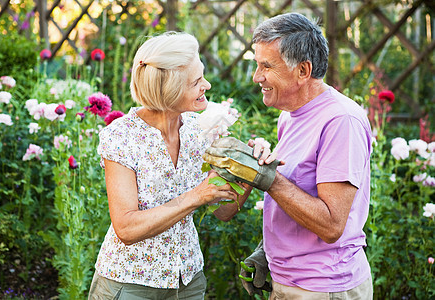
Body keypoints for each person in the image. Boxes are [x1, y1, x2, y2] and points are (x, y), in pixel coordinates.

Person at [88, 32, 273, 300]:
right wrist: (197, 196)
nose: (207, 85)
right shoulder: (122, 137)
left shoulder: (197, 130)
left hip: (188, 282)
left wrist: (247, 169)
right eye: (196, 82)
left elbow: (224, 212)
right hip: (130, 283)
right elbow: (126, 228)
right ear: (169, 90)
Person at [238, 13, 373, 299]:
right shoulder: (290, 116)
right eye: (256, 64)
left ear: (303, 70)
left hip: (324, 286)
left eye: (266, 66)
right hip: (291, 281)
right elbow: (297, 194)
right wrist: (268, 253)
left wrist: (268, 179)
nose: (256, 77)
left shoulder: (340, 121)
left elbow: (332, 224)